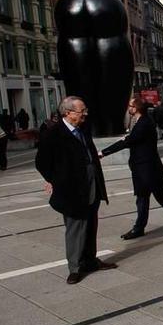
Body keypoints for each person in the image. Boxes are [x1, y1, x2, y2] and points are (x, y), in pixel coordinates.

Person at [35, 96, 118, 284]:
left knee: (90, 226)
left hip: (92, 186)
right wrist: (54, 180)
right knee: (75, 229)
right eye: (82, 111)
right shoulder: (53, 134)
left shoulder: (83, 128)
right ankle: (75, 267)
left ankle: (90, 261)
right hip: (71, 190)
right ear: (68, 113)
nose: (86, 114)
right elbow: (41, 162)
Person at [100, 96, 163, 240]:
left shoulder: (144, 123)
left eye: (130, 106)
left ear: (136, 108)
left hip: (146, 168)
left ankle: (140, 228)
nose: (128, 108)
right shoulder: (141, 121)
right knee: (156, 196)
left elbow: (127, 141)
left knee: (145, 198)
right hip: (146, 167)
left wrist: (104, 152)